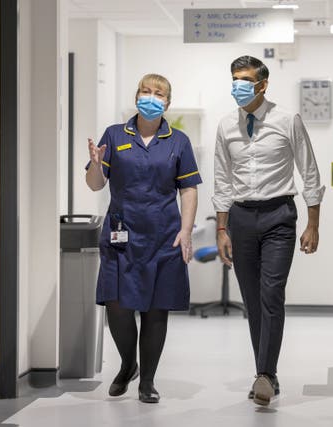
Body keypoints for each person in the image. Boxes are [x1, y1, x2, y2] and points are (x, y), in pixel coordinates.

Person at [212, 56, 325, 406]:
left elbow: (309, 172)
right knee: (253, 301)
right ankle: (267, 374)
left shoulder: (286, 120)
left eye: (245, 79)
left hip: (279, 216)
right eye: (234, 79)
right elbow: (221, 179)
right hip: (242, 219)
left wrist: (313, 224)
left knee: (271, 293)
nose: (238, 86)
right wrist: (221, 228)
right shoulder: (226, 126)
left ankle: (264, 374)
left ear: (263, 84)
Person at [86, 74, 201, 403]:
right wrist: (95, 165)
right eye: (145, 91)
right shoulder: (115, 135)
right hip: (121, 235)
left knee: (156, 311)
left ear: (168, 102)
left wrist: (186, 230)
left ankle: (147, 381)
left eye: (158, 93)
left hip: (164, 235)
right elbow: (95, 184)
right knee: (117, 307)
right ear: (136, 95)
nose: (151, 96)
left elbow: (188, 188)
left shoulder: (177, 140)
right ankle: (127, 364)